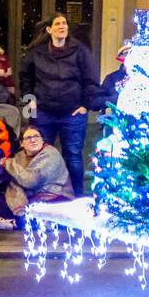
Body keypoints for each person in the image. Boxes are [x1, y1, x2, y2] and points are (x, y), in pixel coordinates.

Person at [19, 14, 98, 197]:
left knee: (73, 156)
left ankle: (75, 196)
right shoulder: (36, 53)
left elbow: (91, 79)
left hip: (73, 112)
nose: (62, 26)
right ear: (49, 29)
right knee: (40, 155)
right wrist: (29, 101)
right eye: (58, 24)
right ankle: (42, 195)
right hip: (44, 112)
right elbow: (25, 78)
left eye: (64, 23)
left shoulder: (80, 51)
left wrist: (86, 105)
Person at [0, 125, 75, 226]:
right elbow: (14, 182)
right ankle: (15, 221)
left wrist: (7, 163)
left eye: (36, 136)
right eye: (28, 138)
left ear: (42, 140)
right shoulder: (19, 157)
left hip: (56, 196)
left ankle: (16, 223)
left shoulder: (50, 153)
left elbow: (32, 180)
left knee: (46, 219)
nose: (33, 140)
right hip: (31, 199)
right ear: (22, 143)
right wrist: (20, 206)